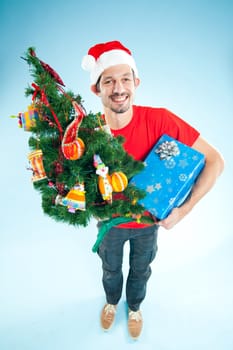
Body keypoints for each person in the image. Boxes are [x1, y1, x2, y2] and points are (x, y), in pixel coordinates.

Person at [81, 40, 224, 339]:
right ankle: (111, 302)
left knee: (141, 270)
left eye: (124, 79)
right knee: (110, 270)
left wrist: (184, 211)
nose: (118, 88)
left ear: (136, 82)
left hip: (149, 223)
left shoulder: (159, 119)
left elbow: (215, 160)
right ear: (97, 89)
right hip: (110, 225)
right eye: (108, 81)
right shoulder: (87, 131)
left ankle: (134, 307)